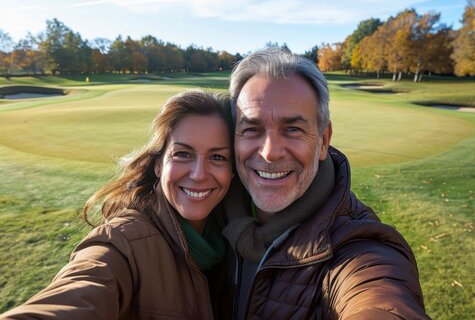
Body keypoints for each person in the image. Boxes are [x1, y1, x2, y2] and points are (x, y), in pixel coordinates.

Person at [222, 47, 430, 319]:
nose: (270, 152)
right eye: (251, 129)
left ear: (324, 139)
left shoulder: (358, 246)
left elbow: (379, 295)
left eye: (293, 129)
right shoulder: (210, 212)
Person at [1, 89, 235, 319]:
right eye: (182, 154)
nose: (199, 174)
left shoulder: (239, 235)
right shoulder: (122, 242)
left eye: (218, 157)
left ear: (234, 170)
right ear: (158, 164)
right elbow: (84, 287)